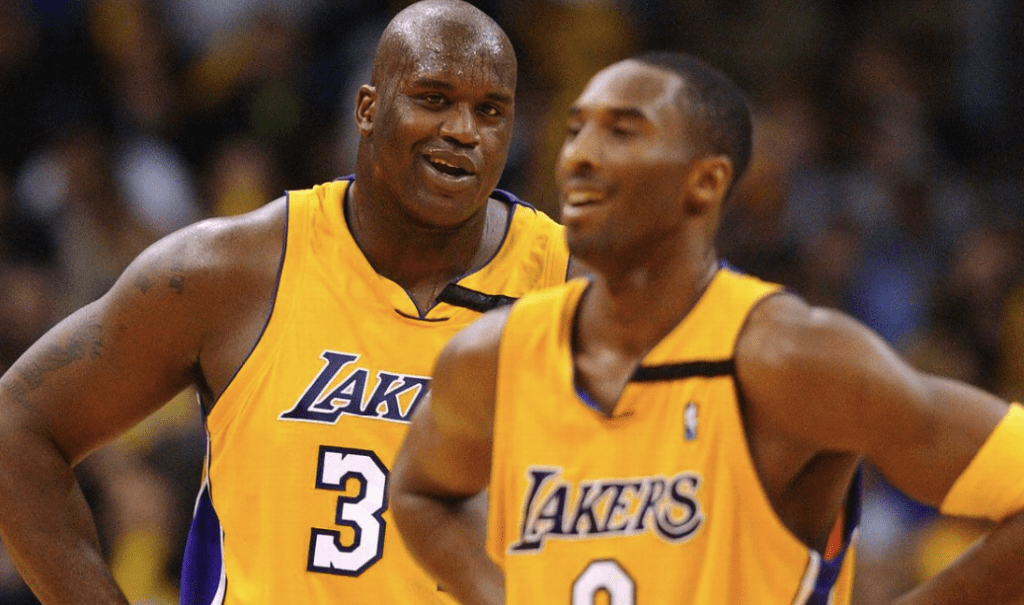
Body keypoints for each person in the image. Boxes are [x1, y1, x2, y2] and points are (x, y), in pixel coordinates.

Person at [390, 51, 1024, 605]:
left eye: (622, 133)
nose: (579, 155)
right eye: (576, 129)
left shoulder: (787, 356)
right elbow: (419, 491)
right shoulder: (495, 355)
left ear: (706, 182)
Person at [0, 1, 578, 604]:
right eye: (433, 98)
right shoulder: (231, 273)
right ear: (368, 109)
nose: (464, 130)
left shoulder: (578, 287)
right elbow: (17, 425)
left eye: (491, 111)